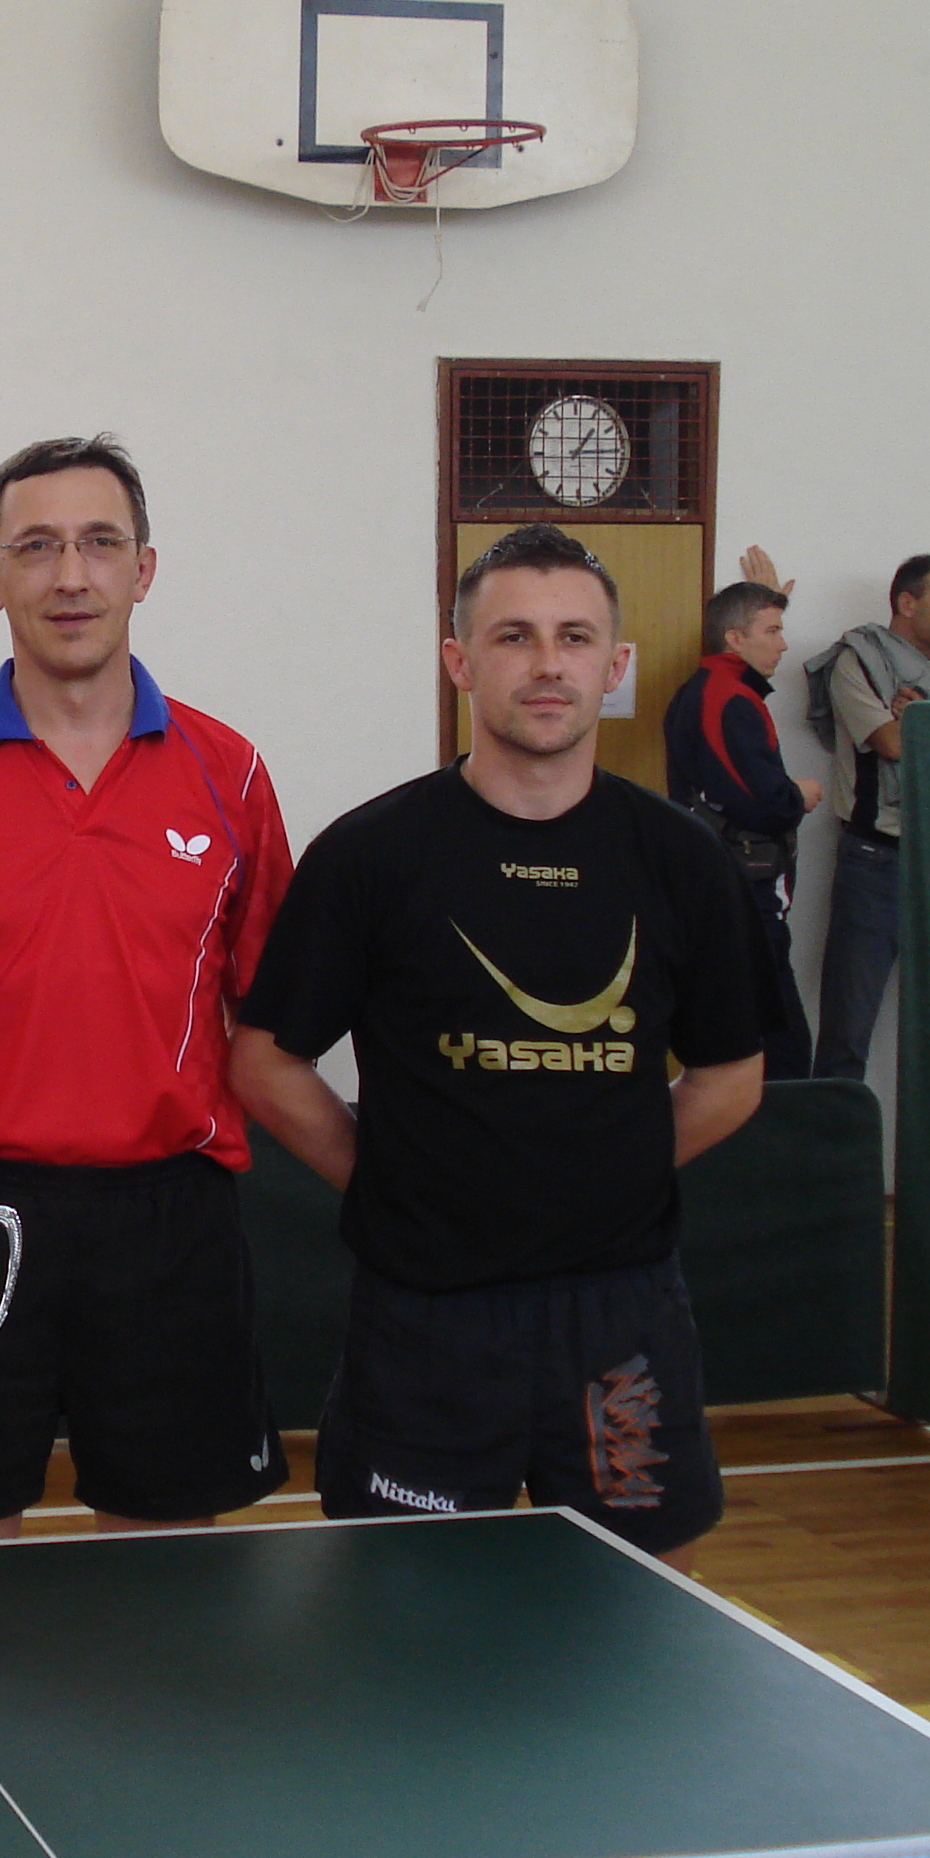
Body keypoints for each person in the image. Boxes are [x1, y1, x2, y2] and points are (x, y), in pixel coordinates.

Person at [226, 524, 765, 1569]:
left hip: (621, 1318)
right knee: (409, 1610)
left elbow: (733, 1074)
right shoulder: (373, 855)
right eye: (514, 636)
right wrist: (386, 1180)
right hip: (427, 1317)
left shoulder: (681, 860)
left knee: (639, 1612)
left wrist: (611, 1176)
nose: (548, 663)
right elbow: (264, 1062)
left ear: (615, 665)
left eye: (575, 638)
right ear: (460, 661)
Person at [0, 434, 296, 1538]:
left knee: (164, 1556)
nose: (70, 575)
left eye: (99, 543)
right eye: (35, 547)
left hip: (173, 1222)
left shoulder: (232, 773)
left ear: (145, 568)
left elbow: (267, 1018)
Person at [806, 554, 930, 1084]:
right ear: (907, 603)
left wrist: (924, 716)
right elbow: (890, 743)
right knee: (848, 1028)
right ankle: (836, 1138)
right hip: (875, 860)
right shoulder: (856, 660)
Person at [663, 572, 820, 1079]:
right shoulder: (724, 697)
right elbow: (760, 802)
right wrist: (799, 796)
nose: (783, 644)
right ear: (734, 638)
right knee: (780, 1048)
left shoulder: (722, 692)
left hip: (735, 886)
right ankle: (772, 1130)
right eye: (772, 631)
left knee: (760, 1039)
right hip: (743, 890)